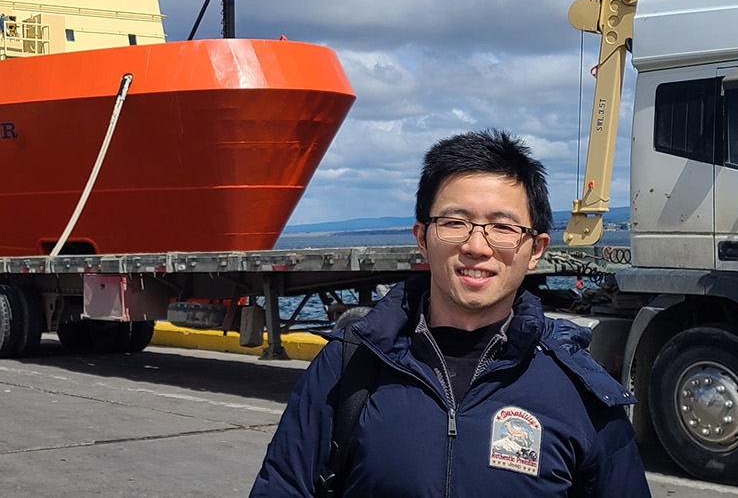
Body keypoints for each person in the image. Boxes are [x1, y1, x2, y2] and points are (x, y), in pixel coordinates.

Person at [250, 130, 649, 497]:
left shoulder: (579, 391)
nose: (477, 246)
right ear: (422, 239)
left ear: (536, 249)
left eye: (503, 227)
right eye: (454, 222)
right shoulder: (348, 365)